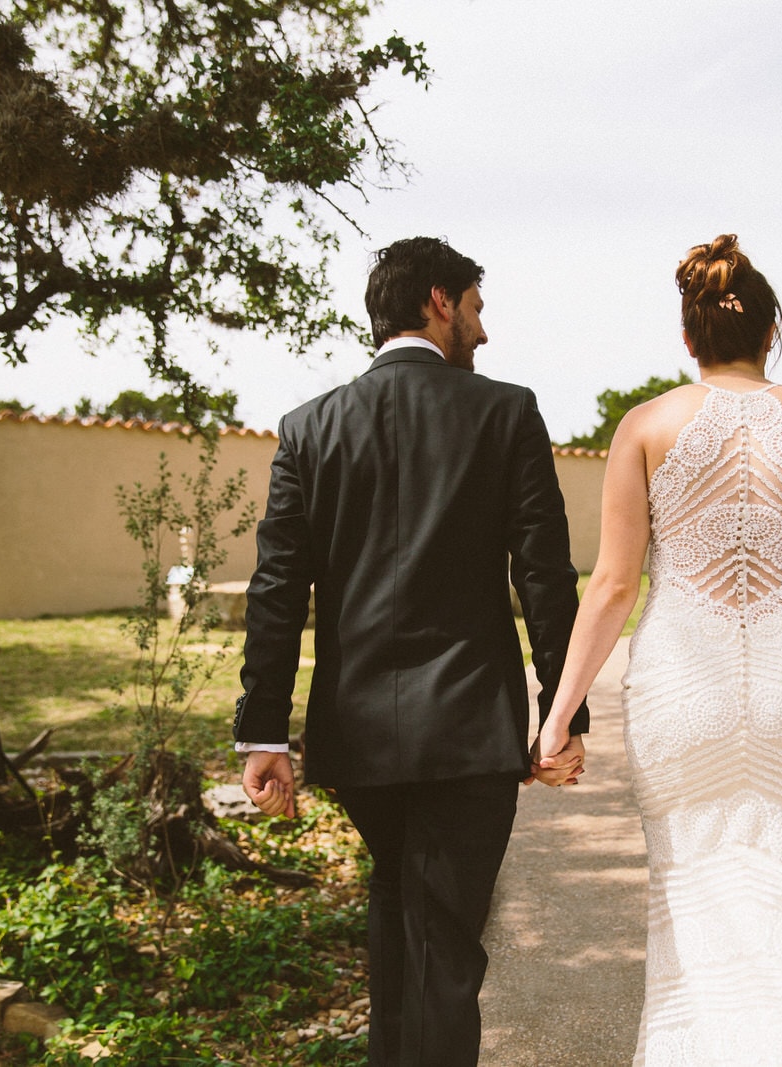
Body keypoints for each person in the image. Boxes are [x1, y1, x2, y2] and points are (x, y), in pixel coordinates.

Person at [233, 235, 590, 1066]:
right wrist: (560, 715)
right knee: (442, 954)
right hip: (466, 732)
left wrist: (264, 733)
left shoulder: (308, 428)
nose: (483, 331)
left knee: (401, 924)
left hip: (360, 739)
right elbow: (543, 573)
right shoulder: (506, 413)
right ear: (439, 300)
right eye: (476, 308)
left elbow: (277, 589)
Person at [534, 234, 782, 1064]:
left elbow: (614, 584)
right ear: (771, 333)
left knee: (692, 910)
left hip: (682, 697)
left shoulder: (646, 425)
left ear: (688, 338)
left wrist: (557, 715)